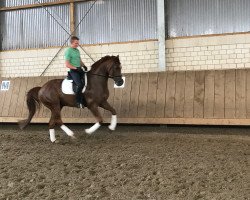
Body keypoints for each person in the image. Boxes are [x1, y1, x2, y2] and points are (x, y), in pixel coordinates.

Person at [65, 36, 86, 108]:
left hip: (79, 69)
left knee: (88, 81)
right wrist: (75, 68)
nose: (77, 44)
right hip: (74, 71)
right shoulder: (68, 51)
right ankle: (78, 101)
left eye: (78, 43)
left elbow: (79, 60)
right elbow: (67, 64)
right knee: (80, 85)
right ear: (72, 43)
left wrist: (84, 65)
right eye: (76, 43)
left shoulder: (77, 50)